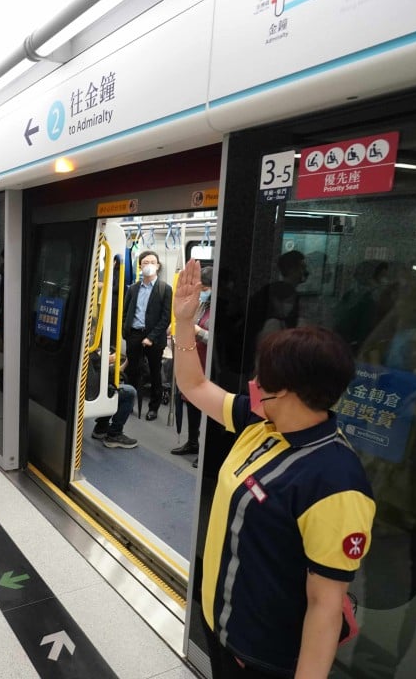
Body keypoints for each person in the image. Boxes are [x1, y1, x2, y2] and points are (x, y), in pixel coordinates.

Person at [173, 259, 375, 679]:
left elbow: (325, 605)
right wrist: (184, 322)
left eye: (263, 380)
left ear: (292, 392)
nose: (254, 385)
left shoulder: (336, 482)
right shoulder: (261, 422)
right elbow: (194, 387)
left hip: (262, 658)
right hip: (221, 629)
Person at [123, 250, 173, 420]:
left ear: (158, 266)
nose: (149, 265)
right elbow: (126, 311)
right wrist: (127, 332)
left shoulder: (164, 289)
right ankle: (128, 403)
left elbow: (166, 317)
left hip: (155, 338)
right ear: (140, 266)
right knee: (132, 371)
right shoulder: (133, 288)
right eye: (145, 262)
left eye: (152, 262)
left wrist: (151, 337)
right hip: (134, 334)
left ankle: (154, 407)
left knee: (154, 373)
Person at [171, 266, 213, 457]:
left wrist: (198, 332)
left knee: (208, 405)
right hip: (195, 358)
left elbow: (217, 340)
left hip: (210, 362)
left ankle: (206, 450)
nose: (202, 293)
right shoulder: (201, 305)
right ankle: (192, 441)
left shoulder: (220, 308)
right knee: (192, 401)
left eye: (204, 289)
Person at [88, 350, 138, 449]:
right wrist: (106, 362)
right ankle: (114, 434)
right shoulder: (87, 352)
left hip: (87, 388)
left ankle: (101, 428)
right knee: (129, 392)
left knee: (111, 388)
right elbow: (93, 380)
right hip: (90, 394)